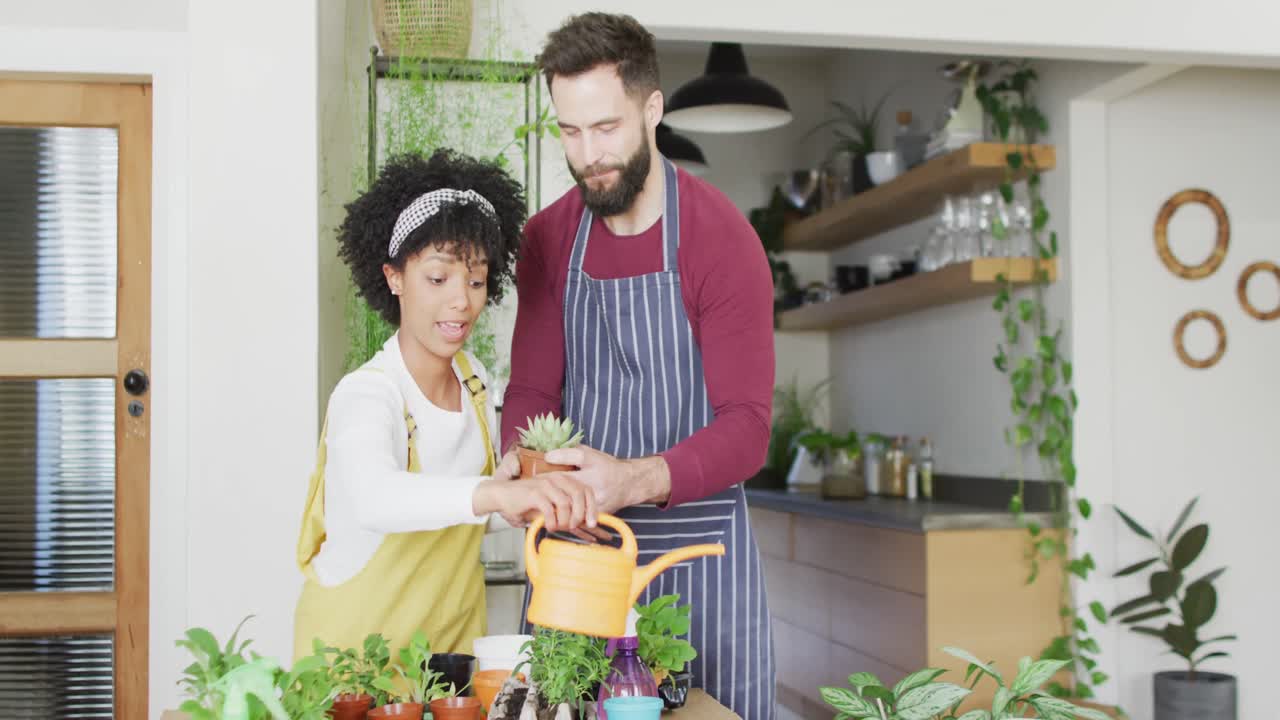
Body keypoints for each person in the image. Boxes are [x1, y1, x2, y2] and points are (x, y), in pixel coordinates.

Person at [499, 13, 777, 719]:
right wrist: (520, 471)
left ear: (652, 109)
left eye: (607, 127)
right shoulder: (547, 240)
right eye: (569, 131)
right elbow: (532, 391)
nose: (588, 154)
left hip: (699, 570)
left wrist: (632, 478)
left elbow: (746, 429)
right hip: (577, 564)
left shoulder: (721, 238)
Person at [293, 149, 596, 662]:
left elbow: (459, 513)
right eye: (438, 279)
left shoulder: (474, 380)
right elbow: (376, 500)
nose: (462, 301)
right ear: (394, 279)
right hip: (355, 659)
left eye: (476, 280)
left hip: (447, 652)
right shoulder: (368, 394)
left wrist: (524, 499)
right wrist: (490, 495)